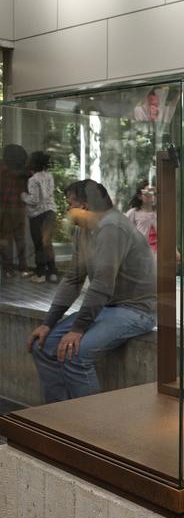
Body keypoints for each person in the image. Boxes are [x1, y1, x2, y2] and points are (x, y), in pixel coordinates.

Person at [26, 179, 156, 402]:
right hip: (108, 308)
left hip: (136, 310)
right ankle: (61, 418)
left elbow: (103, 284)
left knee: (74, 354)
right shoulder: (84, 231)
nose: (67, 210)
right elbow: (73, 279)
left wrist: (78, 328)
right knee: (43, 348)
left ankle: (90, 428)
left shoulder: (112, 227)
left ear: (84, 207)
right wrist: (48, 323)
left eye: (70, 204)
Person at [20, 150, 58, 283]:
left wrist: (23, 196)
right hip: (51, 211)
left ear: (33, 163)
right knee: (48, 243)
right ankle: (53, 272)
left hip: (38, 215)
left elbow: (34, 200)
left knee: (39, 244)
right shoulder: (49, 176)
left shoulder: (32, 180)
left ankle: (40, 274)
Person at [0, 144, 29, 279]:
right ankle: (23, 268)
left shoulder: (2, 169)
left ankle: (8, 269)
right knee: (20, 238)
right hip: (20, 207)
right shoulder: (25, 172)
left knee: (6, 238)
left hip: (4, 207)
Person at [125, 180, 158, 254]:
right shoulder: (133, 212)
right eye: (148, 193)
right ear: (140, 196)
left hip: (159, 254)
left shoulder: (160, 213)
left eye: (154, 194)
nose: (152, 196)